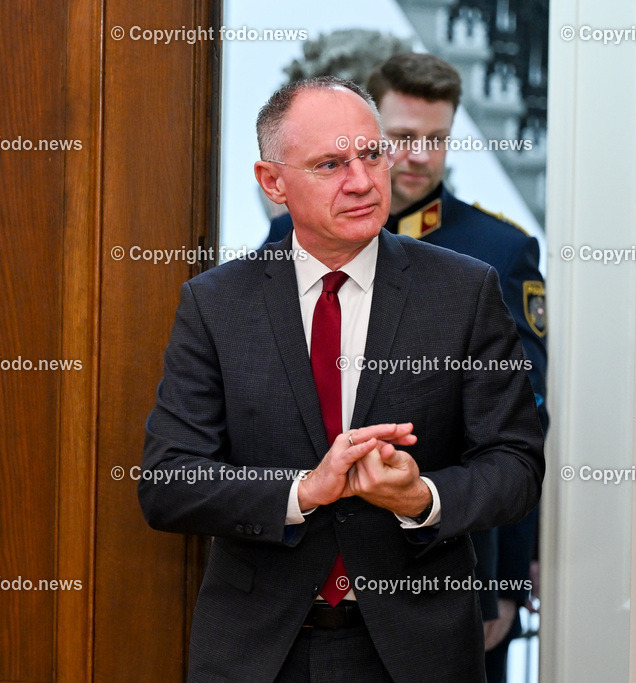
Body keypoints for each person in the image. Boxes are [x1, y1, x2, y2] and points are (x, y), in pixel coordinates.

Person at [139, 76, 545, 683]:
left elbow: (515, 465)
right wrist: (302, 491)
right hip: (259, 652)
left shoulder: (465, 292)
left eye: (371, 155)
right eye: (330, 164)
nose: (362, 181)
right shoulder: (216, 304)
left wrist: (423, 498)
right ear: (273, 182)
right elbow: (169, 482)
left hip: (417, 651)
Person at [263, 53, 547, 682]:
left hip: (449, 557)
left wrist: (504, 576)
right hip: (300, 572)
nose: (418, 155)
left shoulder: (497, 253)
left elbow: (519, 427)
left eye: (436, 139)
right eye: (400, 138)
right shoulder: (289, 240)